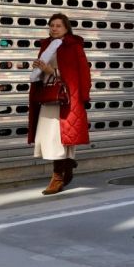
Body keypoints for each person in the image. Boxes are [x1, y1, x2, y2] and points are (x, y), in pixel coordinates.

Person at [25, 12, 92, 195]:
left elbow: (80, 73)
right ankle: (68, 164)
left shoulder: (73, 46)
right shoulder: (47, 45)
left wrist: (50, 70)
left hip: (65, 98)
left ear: (66, 28)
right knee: (50, 137)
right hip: (47, 96)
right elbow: (44, 70)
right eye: (51, 25)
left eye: (58, 26)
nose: (54, 28)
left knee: (59, 138)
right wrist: (38, 69)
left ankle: (57, 177)